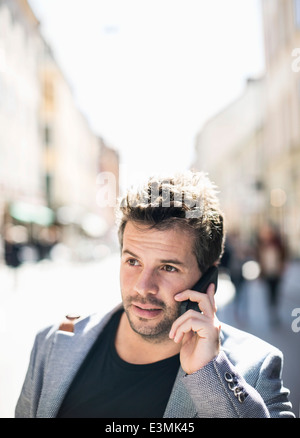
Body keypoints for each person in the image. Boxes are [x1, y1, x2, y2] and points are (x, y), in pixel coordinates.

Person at [15, 172, 294, 418]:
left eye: (168, 267)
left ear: (208, 278)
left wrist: (212, 374)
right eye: (133, 261)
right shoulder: (52, 344)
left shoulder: (256, 369)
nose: (143, 286)